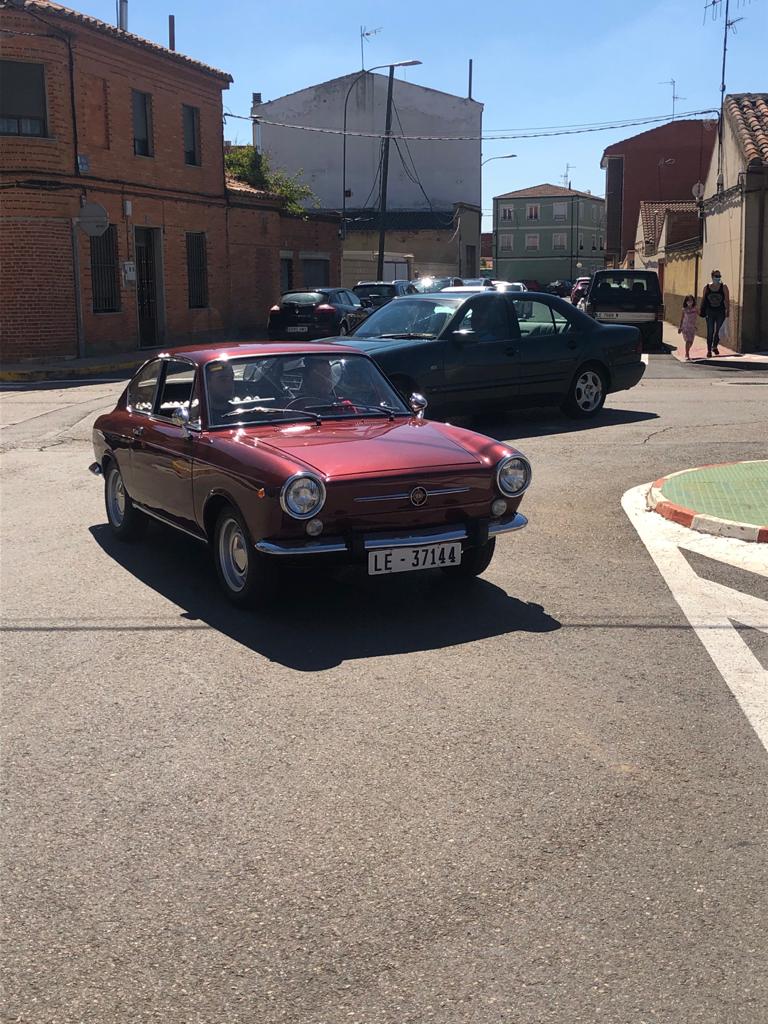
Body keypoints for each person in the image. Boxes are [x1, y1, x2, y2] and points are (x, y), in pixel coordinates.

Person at [699, 270, 730, 357]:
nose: (718, 278)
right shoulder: (707, 287)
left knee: (718, 331)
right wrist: (701, 310)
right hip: (710, 312)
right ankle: (709, 350)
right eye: (716, 276)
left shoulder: (723, 287)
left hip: (720, 311)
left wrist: (728, 311)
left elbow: (727, 300)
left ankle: (715, 346)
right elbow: (703, 299)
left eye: (719, 276)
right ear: (712, 276)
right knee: (710, 331)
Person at [206, 360, 236, 425]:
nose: (229, 384)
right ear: (208, 383)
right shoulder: (200, 418)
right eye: (223, 379)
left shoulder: (242, 412)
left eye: (231, 378)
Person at [677, 294, 699, 360]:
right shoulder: (684, 310)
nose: (689, 302)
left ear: (693, 301)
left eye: (691, 300)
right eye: (688, 300)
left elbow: (700, 314)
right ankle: (687, 354)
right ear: (686, 301)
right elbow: (682, 319)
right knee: (687, 340)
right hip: (685, 327)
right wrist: (680, 327)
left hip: (692, 327)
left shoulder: (695, 309)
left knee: (691, 342)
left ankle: (687, 351)